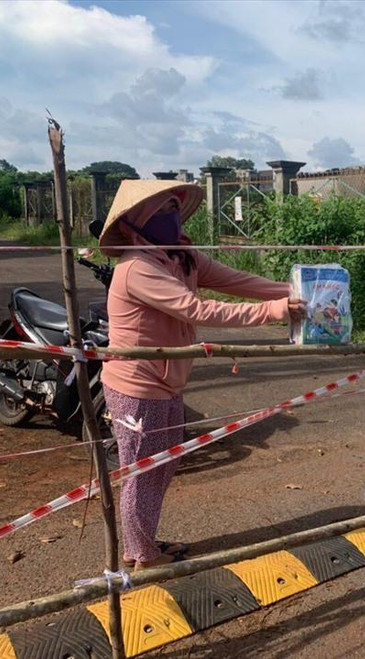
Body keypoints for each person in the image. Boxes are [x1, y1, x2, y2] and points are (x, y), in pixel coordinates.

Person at [98, 180, 306, 569]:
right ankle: (142, 553)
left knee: (164, 465)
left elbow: (236, 281)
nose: (171, 218)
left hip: (167, 381)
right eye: (161, 212)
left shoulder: (180, 255)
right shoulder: (137, 268)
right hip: (137, 386)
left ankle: (142, 545)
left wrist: (296, 291)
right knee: (144, 473)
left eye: (174, 209)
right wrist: (274, 312)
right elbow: (198, 310)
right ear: (136, 222)